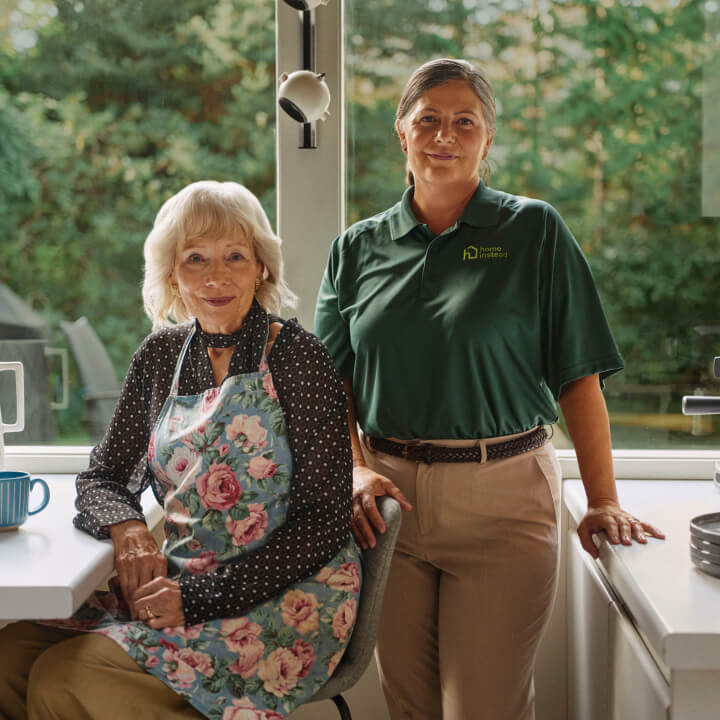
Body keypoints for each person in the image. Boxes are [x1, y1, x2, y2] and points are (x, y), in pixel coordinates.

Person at [313, 58, 664, 720]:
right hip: (388, 507)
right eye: (429, 120)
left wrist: (603, 499)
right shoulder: (356, 250)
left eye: (464, 122)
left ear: (487, 139)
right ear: (402, 131)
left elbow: (578, 378)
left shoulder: (533, 231)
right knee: (409, 707)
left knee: (484, 709)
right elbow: (329, 388)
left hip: (502, 500)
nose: (445, 135)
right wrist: (356, 470)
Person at [0, 181, 362, 720]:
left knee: (63, 680)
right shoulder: (160, 356)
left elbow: (324, 521)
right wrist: (128, 532)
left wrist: (198, 599)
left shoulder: (296, 357)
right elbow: (102, 476)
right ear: (172, 272)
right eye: (196, 258)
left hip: (282, 597)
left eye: (235, 256)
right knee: (8, 656)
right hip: (179, 577)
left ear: (260, 267)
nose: (216, 276)